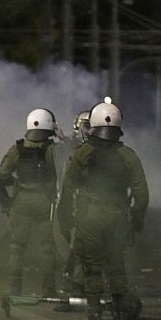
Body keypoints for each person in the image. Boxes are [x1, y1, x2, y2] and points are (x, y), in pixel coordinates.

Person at [56, 102, 148, 320]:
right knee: (116, 264)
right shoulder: (129, 156)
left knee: (91, 265)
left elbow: (67, 189)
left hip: (89, 215)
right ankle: (120, 310)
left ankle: (94, 312)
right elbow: (141, 193)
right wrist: (136, 219)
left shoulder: (80, 154)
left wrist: (65, 218)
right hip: (117, 214)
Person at [0, 108, 60, 297]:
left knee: (17, 248)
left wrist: (8, 199)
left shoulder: (16, 149)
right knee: (47, 248)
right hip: (44, 201)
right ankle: (49, 289)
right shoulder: (51, 150)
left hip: (21, 200)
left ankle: (14, 288)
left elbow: (3, 174)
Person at [54, 111, 91, 309]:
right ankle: (73, 285)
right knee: (76, 246)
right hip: (79, 203)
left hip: (90, 204)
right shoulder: (76, 149)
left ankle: (78, 285)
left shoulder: (96, 148)